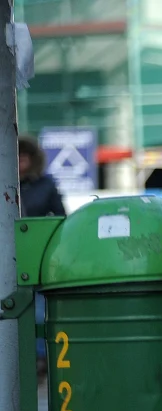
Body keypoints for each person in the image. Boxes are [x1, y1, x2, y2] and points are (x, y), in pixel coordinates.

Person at [17, 136, 65, 378]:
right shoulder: (7, 184)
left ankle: (40, 358)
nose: (19, 162)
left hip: (37, 257)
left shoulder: (46, 185)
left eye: (23, 157)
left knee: (37, 311)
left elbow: (60, 218)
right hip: (9, 259)